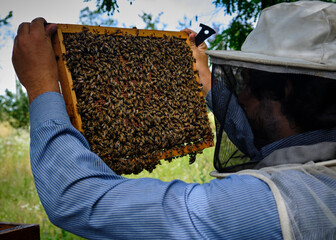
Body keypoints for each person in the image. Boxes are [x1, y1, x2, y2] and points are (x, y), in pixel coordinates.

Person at [12, 1, 336, 239]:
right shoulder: (321, 161)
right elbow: (264, 140)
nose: (239, 96)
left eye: (248, 84)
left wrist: (42, 88)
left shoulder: (264, 206)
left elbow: (77, 199)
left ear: (287, 89)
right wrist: (206, 81)